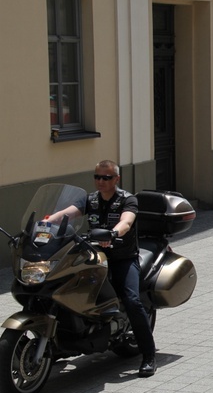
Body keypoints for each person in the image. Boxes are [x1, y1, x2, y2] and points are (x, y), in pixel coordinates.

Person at [46, 160, 157, 377]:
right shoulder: (91, 199)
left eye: (106, 178)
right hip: (94, 256)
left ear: (116, 179)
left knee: (132, 300)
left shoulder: (127, 199)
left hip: (122, 258)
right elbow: (68, 213)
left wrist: (114, 233)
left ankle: (148, 355)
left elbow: (127, 221)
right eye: (97, 177)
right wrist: (48, 221)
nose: (100, 181)